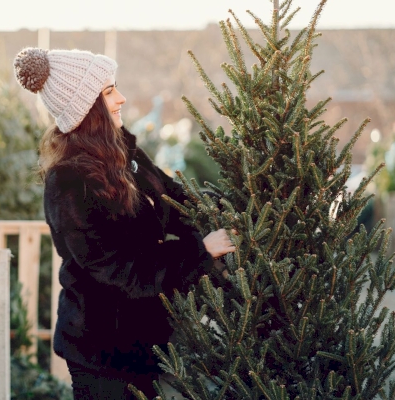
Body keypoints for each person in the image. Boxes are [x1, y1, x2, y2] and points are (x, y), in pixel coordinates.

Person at [13, 47, 237, 399]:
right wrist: (199, 251)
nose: (121, 98)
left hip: (144, 344)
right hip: (102, 353)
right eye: (108, 92)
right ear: (86, 108)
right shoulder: (69, 183)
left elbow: (174, 197)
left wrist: (233, 211)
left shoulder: (122, 154)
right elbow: (119, 271)